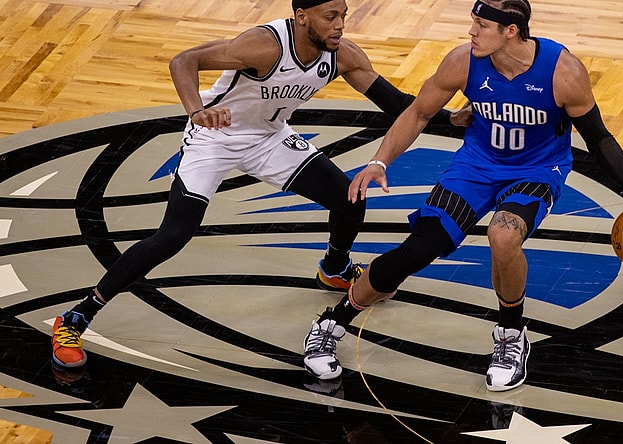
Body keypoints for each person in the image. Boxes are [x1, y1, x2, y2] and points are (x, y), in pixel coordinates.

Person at [51, 0, 462, 369]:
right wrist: (196, 111)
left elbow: (398, 105)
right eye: (330, 17)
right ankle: (77, 317)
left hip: (269, 138)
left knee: (350, 198)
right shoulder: (264, 46)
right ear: (302, 18)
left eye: (343, 16)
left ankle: (334, 268)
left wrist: (452, 122)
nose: (339, 25)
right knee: (173, 235)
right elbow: (183, 60)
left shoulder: (343, 55)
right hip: (215, 137)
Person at [302, 0, 623, 391]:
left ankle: (511, 335)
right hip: (476, 166)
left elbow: (598, 137)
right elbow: (417, 113)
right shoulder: (463, 61)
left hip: (536, 170)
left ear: (510, 30)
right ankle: (331, 324)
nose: (471, 32)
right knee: (418, 249)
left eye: (481, 25)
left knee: (504, 235)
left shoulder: (563, 71)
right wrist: (380, 161)